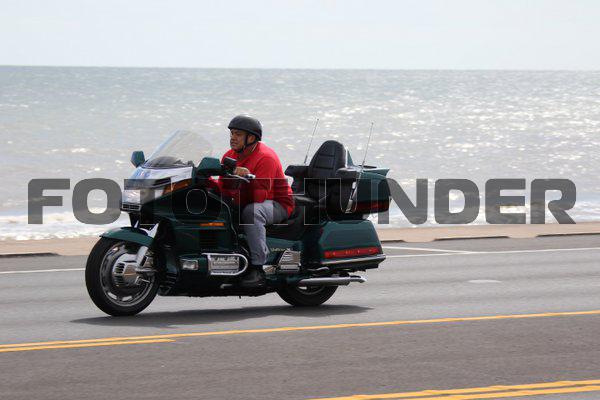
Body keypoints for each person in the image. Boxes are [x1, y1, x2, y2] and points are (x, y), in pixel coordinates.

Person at [217, 115, 294, 288]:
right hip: (246, 200)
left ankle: (258, 268)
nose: (232, 137)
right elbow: (222, 188)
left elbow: (259, 197)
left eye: (238, 134)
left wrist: (242, 176)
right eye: (231, 133)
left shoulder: (266, 157)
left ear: (251, 138)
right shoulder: (229, 156)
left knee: (253, 212)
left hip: (278, 203)